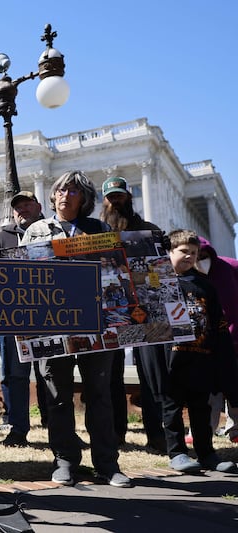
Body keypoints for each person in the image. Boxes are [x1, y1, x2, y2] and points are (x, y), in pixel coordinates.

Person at [20, 170, 132, 488]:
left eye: (73, 191)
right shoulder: (37, 230)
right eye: (61, 190)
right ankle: (65, 460)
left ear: (83, 198)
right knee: (57, 396)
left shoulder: (97, 229)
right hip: (51, 328)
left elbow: (115, 274)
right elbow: (22, 276)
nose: (65, 195)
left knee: (100, 395)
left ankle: (108, 464)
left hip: (95, 327)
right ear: (53, 195)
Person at [142, 230, 238, 474]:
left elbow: (218, 322)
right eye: (183, 251)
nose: (189, 257)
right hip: (171, 359)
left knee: (201, 408)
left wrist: (221, 356)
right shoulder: (155, 282)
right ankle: (177, 453)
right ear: (169, 252)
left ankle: (207, 453)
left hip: (201, 357)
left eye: (193, 253)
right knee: (172, 408)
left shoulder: (205, 285)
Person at [99, 175, 165, 453]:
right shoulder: (97, 232)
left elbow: (161, 271)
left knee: (150, 374)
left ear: (128, 197)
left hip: (146, 312)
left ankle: (156, 434)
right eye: (111, 196)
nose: (116, 200)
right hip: (111, 312)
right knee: (111, 375)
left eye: (120, 195)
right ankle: (117, 433)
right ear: (104, 201)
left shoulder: (149, 230)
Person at [0, 190, 48, 446]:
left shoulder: (52, 230)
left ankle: (58, 426)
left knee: (53, 374)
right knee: (15, 375)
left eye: (27, 205)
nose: (22, 210)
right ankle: (18, 429)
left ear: (38, 206)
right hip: (12, 316)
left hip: (49, 315)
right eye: (17, 207)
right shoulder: (3, 236)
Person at [196, 237, 238, 443]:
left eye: (204, 256)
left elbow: (231, 307)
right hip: (205, 339)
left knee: (234, 385)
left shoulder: (228, 268)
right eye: (197, 256)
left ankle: (236, 428)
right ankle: (204, 431)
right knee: (209, 390)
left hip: (233, 335)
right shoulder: (189, 274)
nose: (200, 260)